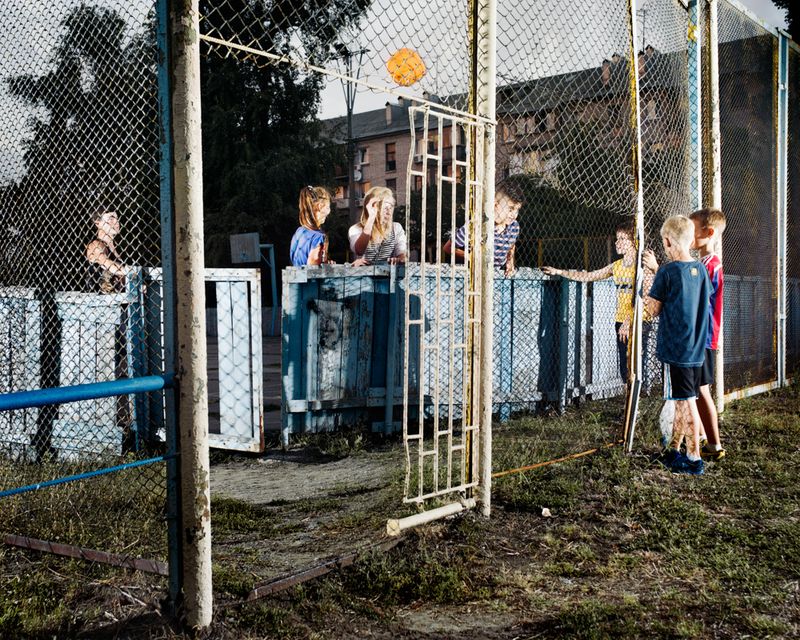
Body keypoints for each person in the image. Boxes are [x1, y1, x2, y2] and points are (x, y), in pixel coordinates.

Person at [645, 208, 726, 461]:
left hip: (695, 339)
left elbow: (686, 300)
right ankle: (681, 446)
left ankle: (701, 450)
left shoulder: (708, 266)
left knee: (693, 394)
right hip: (696, 339)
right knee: (690, 393)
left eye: (694, 229)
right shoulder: (700, 266)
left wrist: (659, 273)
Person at [543, 223, 653, 383]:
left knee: (636, 365)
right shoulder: (617, 266)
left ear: (634, 242)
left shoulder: (643, 265)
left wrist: (629, 321)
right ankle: (628, 403)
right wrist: (560, 272)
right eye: (617, 239)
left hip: (638, 321)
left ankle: (637, 402)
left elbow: (645, 298)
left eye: (623, 239)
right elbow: (589, 276)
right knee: (625, 366)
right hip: (621, 321)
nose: (617, 242)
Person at [443, 180, 522, 276]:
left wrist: (510, 262)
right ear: (495, 205)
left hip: (497, 274)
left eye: (517, 210)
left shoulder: (514, 226)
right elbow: (448, 248)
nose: (514, 215)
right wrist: (472, 258)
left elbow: (511, 244)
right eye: (510, 209)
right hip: (473, 274)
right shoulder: (478, 224)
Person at [349, 186, 407, 265]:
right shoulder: (356, 229)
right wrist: (371, 217)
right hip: (364, 275)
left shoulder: (396, 228)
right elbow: (359, 251)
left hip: (389, 275)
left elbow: (402, 254)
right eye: (385, 207)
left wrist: (399, 259)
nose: (389, 211)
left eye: (391, 207)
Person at [290, 186, 334, 266]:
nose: (329, 211)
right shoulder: (318, 237)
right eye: (328, 207)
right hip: (308, 278)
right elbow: (313, 269)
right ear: (320, 206)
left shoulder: (299, 231)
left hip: (296, 277)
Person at [86, 207, 126, 294]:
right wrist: (134, 275)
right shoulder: (95, 245)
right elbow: (109, 265)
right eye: (111, 219)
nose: (116, 222)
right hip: (100, 302)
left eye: (116, 218)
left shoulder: (119, 248)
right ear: (98, 223)